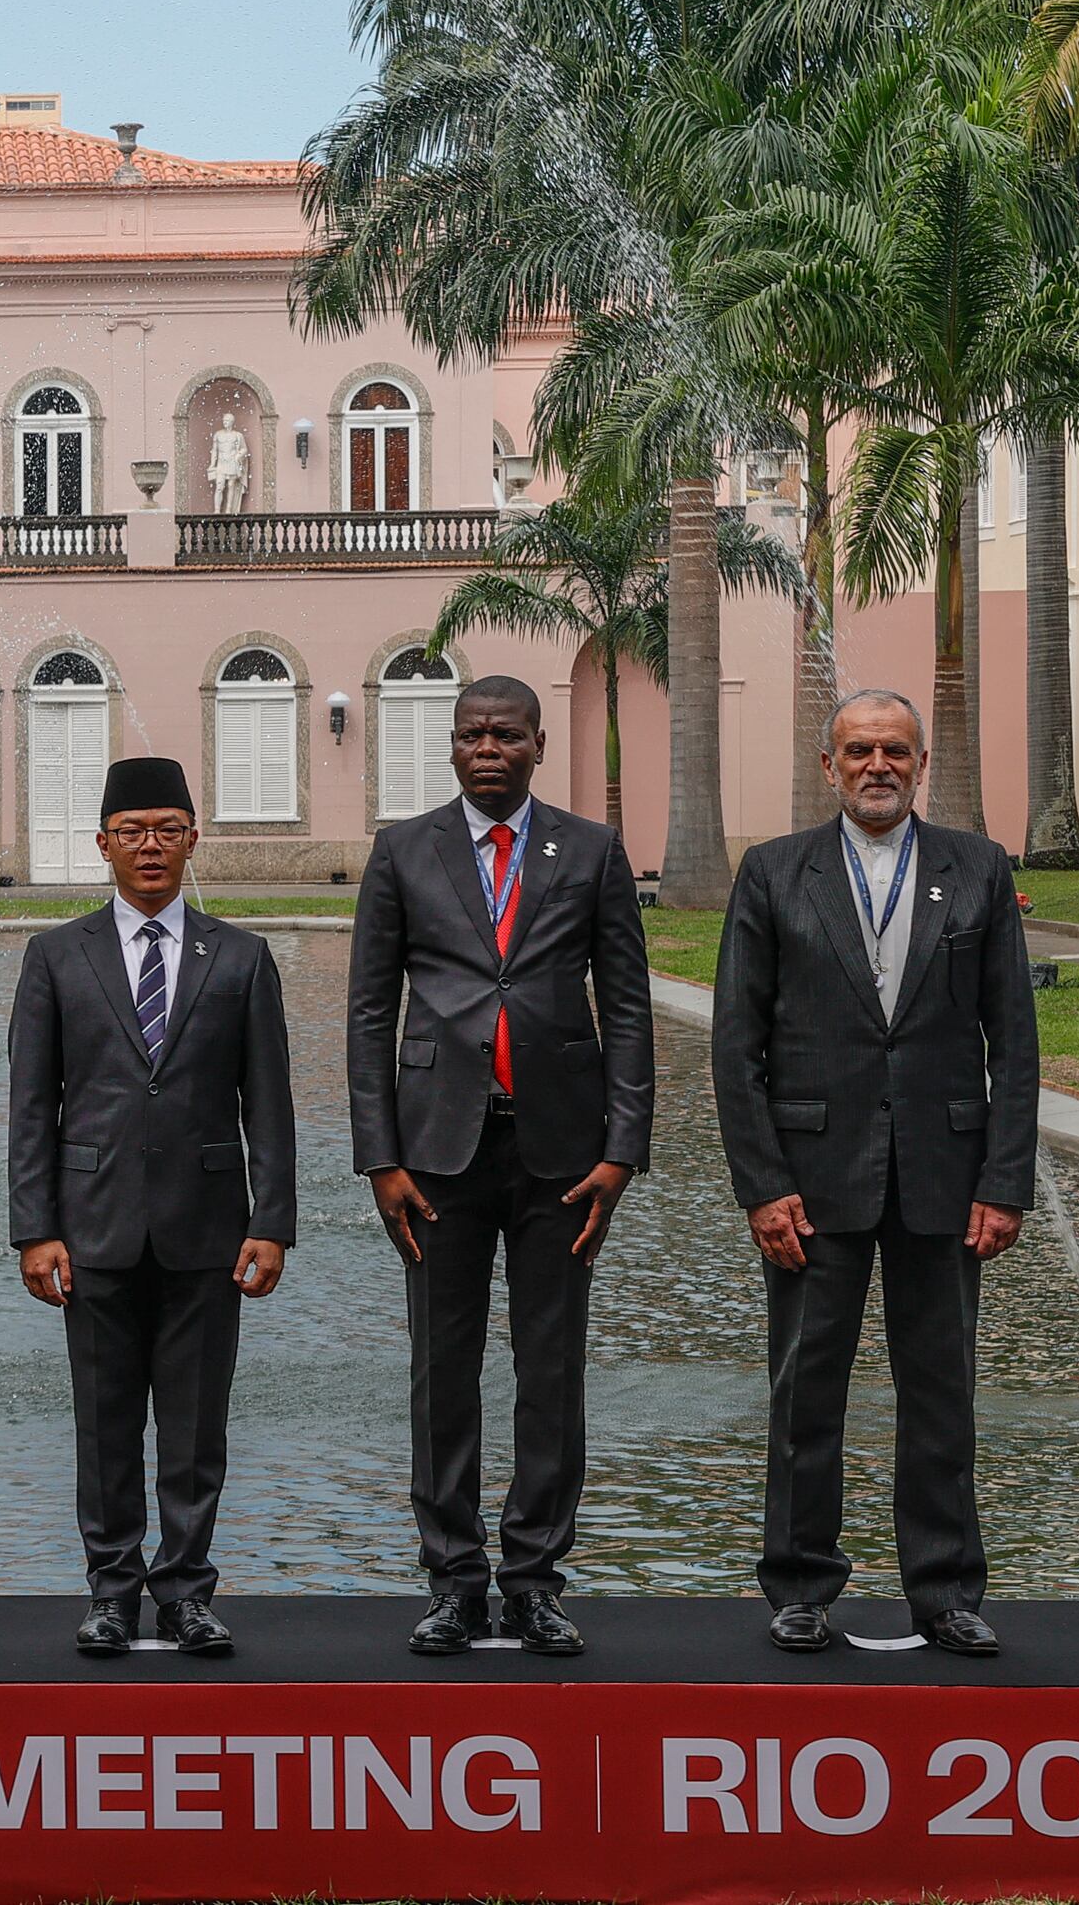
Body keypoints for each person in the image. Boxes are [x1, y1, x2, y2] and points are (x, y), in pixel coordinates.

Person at [712, 689, 1035, 1657]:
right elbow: (736, 1045)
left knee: (942, 1395)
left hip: (945, 1177)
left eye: (895, 749)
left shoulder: (978, 868)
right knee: (806, 1393)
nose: (878, 765)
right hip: (811, 1183)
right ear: (830, 765)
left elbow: (1014, 1041)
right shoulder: (774, 872)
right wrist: (762, 1185)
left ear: (922, 762)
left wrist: (1004, 1179)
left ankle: (945, 1590)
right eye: (859, 750)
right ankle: (800, 1583)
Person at [346, 674, 651, 1658]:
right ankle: (454, 1581)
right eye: (473, 733)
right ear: (452, 745)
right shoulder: (403, 850)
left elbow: (629, 1006)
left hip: (562, 1155)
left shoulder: (592, 851)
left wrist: (622, 1149)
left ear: (538, 745)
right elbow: (368, 1011)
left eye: (507, 734)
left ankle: (534, 1581)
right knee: (443, 1372)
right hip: (437, 1155)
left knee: (550, 1370)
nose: (489, 748)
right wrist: (379, 1156)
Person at [6, 755, 296, 1657]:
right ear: (102, 843)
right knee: (104, 1424)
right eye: (132, 831)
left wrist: (272, 1221)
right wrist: (35, 1228)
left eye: (168, 829)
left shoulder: (240, 957)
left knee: (196, 1425)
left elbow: (269, 1103)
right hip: (91, 1229)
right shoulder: (57, 956)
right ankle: (111, 1590)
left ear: (192, 838)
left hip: (207, 1230)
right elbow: (31, 1105)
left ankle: (186, 1591)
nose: (150, 845)